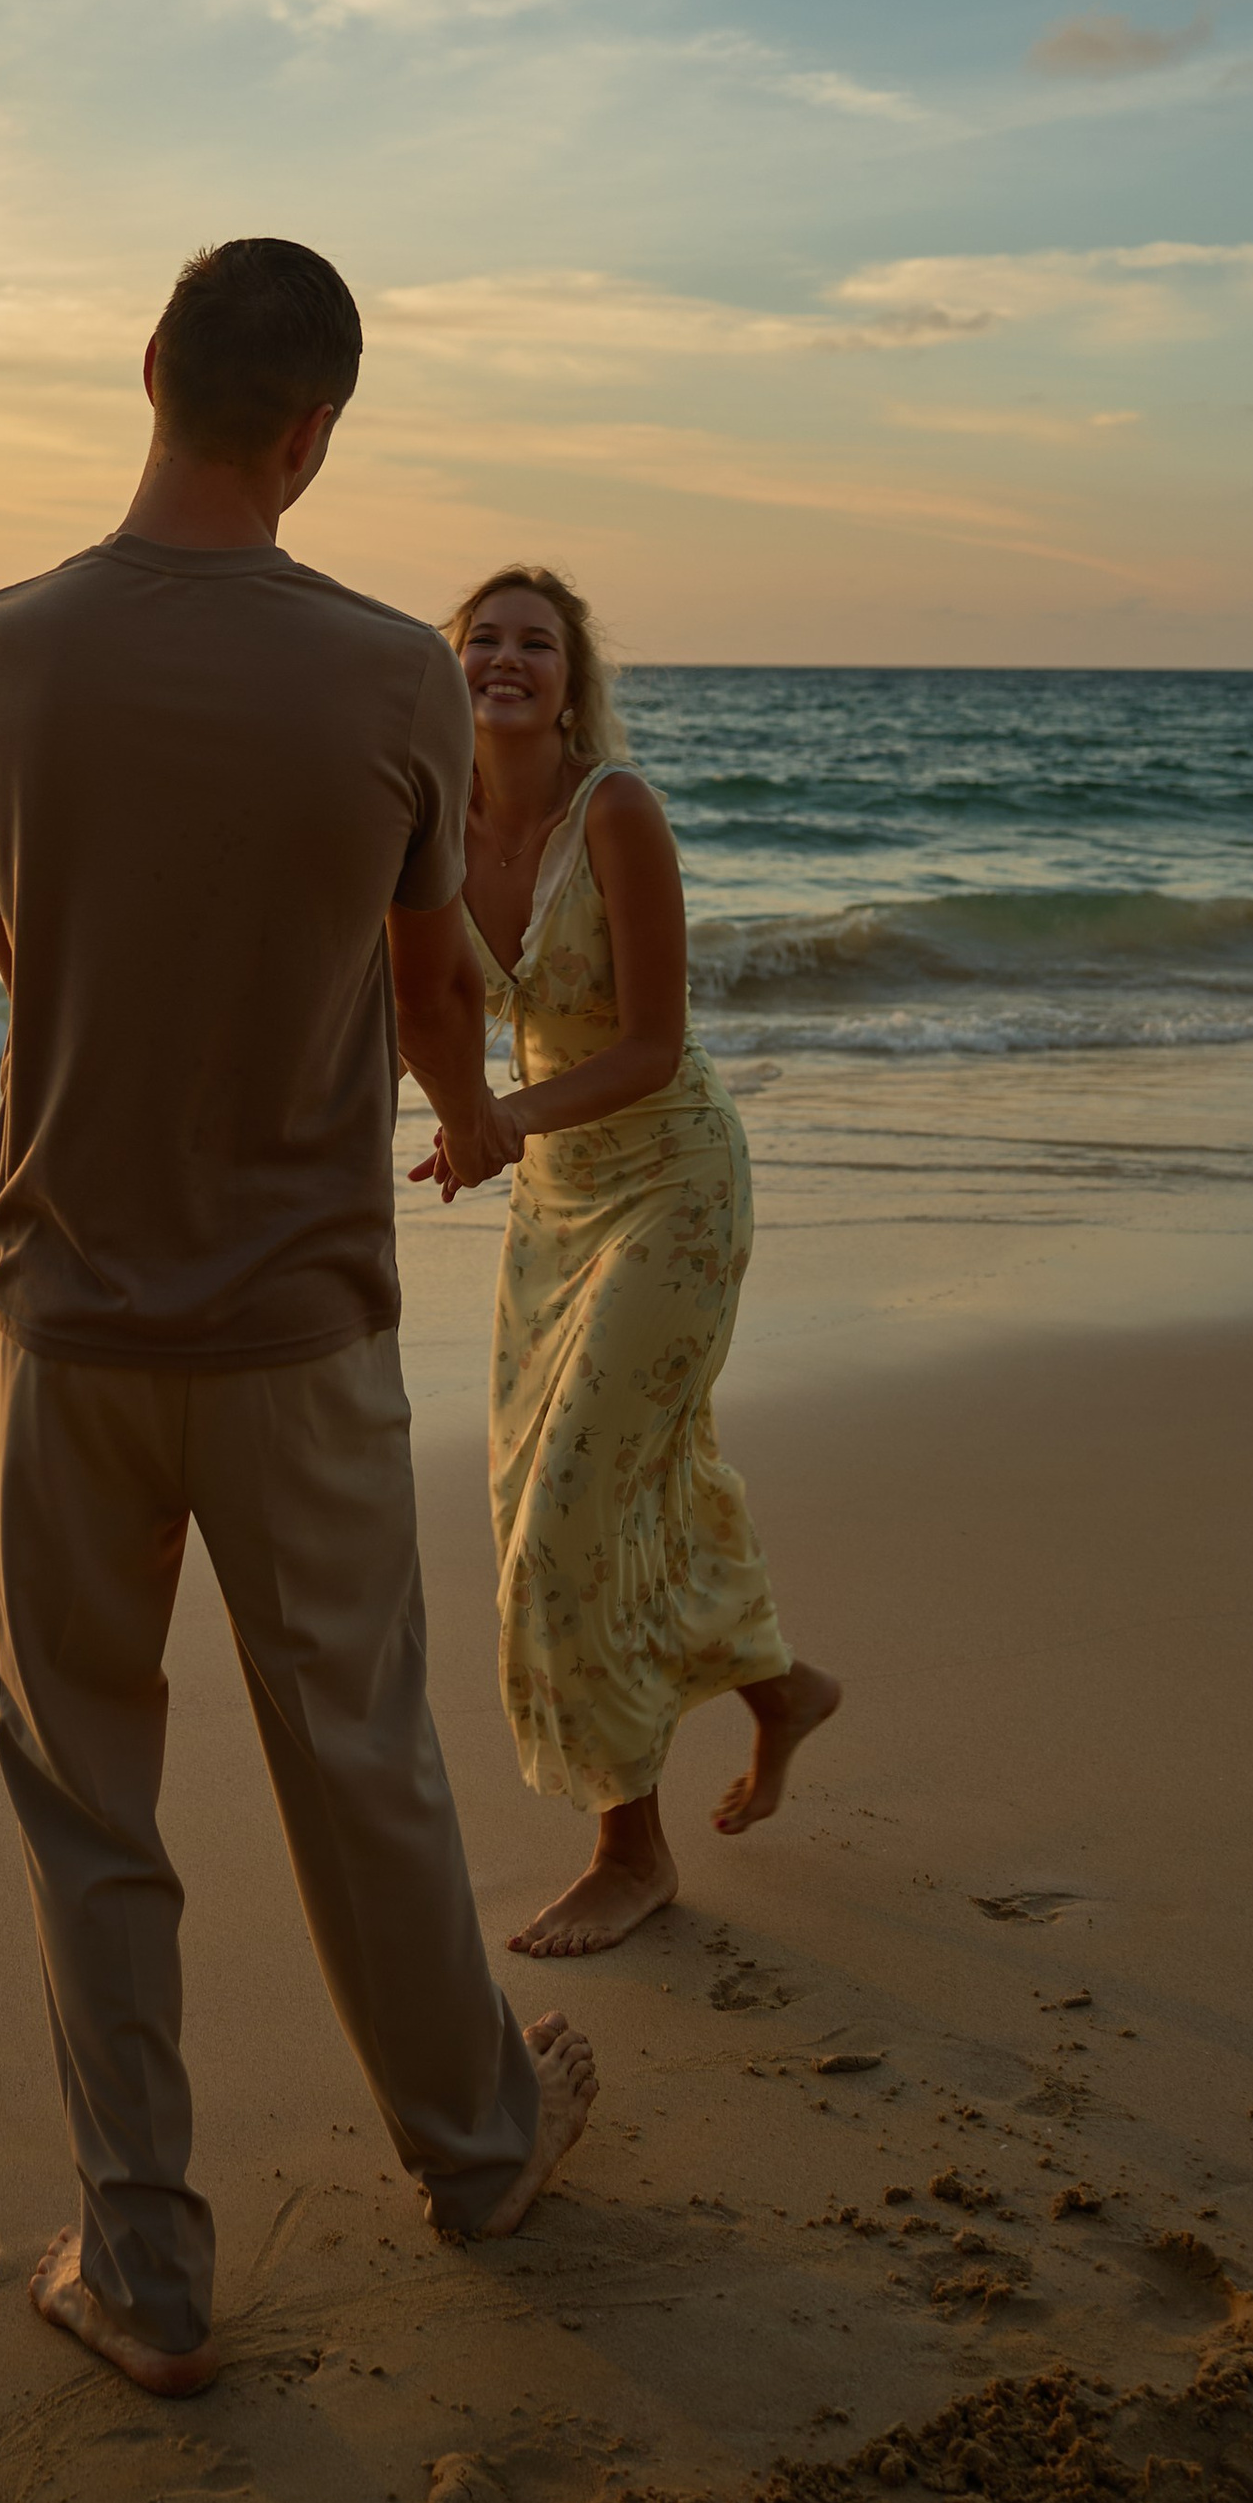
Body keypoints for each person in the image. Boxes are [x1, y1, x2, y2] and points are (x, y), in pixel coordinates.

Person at [0, 243, 597, 2401]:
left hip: (68, 1316)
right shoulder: (394, 675)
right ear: (313, 430)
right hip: (294, 1319)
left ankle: (141, 2268)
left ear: (150, 377)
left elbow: (27, 958)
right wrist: (479, 1114)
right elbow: (419, 1003)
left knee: (88, 1793)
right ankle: (477, 2155)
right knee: (358, 1758)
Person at [415, 565, 841, 1960]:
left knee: (570, 1515)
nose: (508, 662)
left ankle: (631, 1851)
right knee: (600, 1480)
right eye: (485, 639)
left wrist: (500, 1121)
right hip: (554, 1204)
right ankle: (776, 1689)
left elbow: (653, 1045)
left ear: (572, 675)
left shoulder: (620, 813)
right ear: (450, 664)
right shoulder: (426, 823)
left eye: (537, 643)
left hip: (672, 1182)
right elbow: (407, 1003)